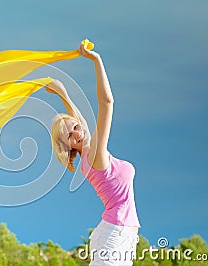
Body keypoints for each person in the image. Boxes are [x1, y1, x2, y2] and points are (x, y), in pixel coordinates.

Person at [46, 43, 141, 265]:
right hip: (114, 235)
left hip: (123, 234)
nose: (77, 133)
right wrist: (96, 60)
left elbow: (80, 123)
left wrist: (63, 93)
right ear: (68, 146)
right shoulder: (95, 157)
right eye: (70, 135)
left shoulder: (89, 154)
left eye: (76, 127)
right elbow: (107, 103)